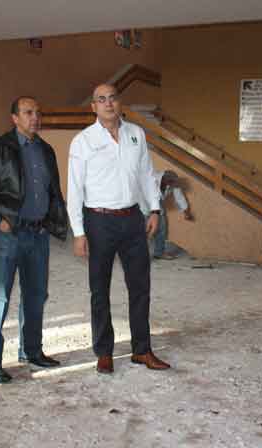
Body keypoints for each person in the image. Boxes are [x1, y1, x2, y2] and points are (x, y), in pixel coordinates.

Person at [67, 83, 171, 374]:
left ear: (119, 102)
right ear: (93, 107)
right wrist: (78, 232)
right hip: (99, 221)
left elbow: (147, 174)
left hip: (133, 219)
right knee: (99, 289)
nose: (108, 103)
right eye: (101, 100)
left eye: (112, 98)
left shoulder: (136, 134)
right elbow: (74, 189)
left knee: (140, 287)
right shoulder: (83, 141)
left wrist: (154, 209)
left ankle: (142, 350)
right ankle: (104, 352)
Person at [0, 96, 68, 384]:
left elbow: (53, 191)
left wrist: (54, 221)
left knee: (36, 296)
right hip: (8, 236)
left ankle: (31, 351)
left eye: (38, 113)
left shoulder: (46, 150)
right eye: (28, 112)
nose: (35, 118)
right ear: (14, 118)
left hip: (38, 235)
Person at [148, 169, 194, 260]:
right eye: (170, 183)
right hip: (143, 203)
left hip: (158, 203)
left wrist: (186, 212)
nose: (172, 185)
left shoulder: (172, 183)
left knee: (162, 228)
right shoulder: (152, 179)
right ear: (164, 180)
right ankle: (138, 255)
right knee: (142, 230)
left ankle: (159, 252)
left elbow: (179, 197)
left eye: (173, 184)